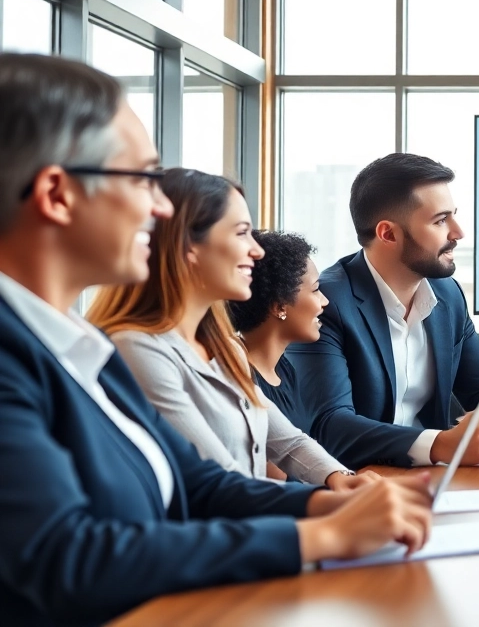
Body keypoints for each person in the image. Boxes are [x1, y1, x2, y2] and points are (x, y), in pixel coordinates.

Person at [0, 54, 432, 626]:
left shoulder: (80, 348)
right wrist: (317, 538)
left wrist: (327, 502)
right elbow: (63, 558)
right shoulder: (27, 356)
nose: (160, 209)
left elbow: (197, 482)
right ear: (57, 195)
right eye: (143, 178)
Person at [88, 170, 369, 489]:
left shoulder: (227, 348)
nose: (257, 250)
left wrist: (344, 480)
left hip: (255, 523)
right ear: (189, 246)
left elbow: (288, 443)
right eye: (241, 233)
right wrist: (329, 505)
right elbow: (221, 480)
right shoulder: (138, 349)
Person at [286, 153, 479, 469]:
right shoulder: (327, 301)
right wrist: (442, 445)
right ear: (388, 233)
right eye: (440, 220)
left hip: (434, 480)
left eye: (453, 216)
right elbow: (329, 426)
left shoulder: (447, 295)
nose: (458, 232)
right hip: (354, 486)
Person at [227, 230, 332, 435]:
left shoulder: (285, 369)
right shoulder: (239, 379)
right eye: (316, 290)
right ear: (279, 307)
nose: (324, 301)